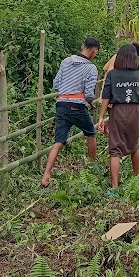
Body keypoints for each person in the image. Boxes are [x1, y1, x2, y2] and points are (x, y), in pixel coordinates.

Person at [40, 38, 101, 188]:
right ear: (94, 51)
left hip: (61, 105)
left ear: (82, 46)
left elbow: (56, 85)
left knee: (58, 142)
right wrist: (90, 101)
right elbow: (88, 93)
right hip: (77, 107)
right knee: (91, 133)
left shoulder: (66, 61)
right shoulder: (91, 68)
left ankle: (46, 176)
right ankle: (94, 164)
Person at [98, 44, 139, 195]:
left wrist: (101, 117)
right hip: (135, 109)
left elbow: (105, 96)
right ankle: (137, 177)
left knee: (115, 149)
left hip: (118, 110)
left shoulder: (113, 74)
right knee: (134, 144)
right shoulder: (138, 74)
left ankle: (114, 187)